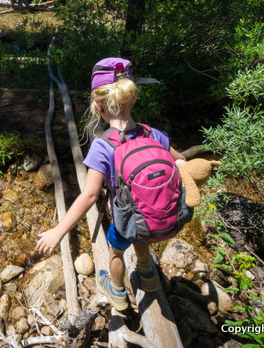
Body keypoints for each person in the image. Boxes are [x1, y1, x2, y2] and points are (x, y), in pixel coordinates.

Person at [35, 57, 185, 311]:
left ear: (97, 105)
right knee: (143, 241)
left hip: (125, 221)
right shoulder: (154, 134)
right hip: (154, 215)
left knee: (116, 253)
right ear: (133, 98)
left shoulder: (103, 146)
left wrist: (59, 231)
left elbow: (90, 195)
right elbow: (180, 162)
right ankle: (148, 277)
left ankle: (116, 292)